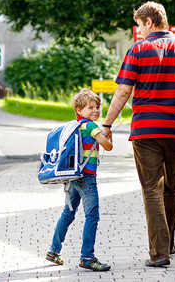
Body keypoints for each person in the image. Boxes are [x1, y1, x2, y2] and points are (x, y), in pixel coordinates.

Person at [102, 1, 175, 267]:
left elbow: (124, 91)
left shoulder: (138, 50)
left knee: (152, 190)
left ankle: (159, 254)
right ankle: (169, 243)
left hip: (147, 131)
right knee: (171, 188)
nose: (138, 31)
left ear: (149, 22)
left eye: (139, 25)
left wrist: (107, 124)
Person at [46, 88, 113, 272]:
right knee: (92, 216)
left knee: (68, 214)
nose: (95, 111)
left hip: (73, 176)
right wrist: (108, 137)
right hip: (87, 178)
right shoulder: (91, 126)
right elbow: (107, 146)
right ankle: (87, 257)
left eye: (97, 107)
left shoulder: (75, 126)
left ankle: (54, 251)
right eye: (90, 107)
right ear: (78, 109)